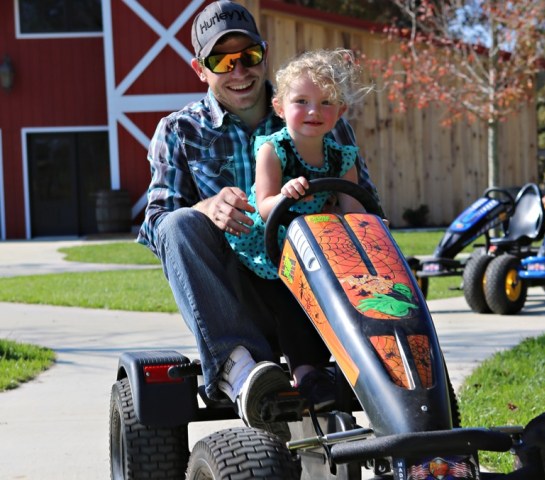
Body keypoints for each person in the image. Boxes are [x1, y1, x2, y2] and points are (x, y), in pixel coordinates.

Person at [137, 1, 382, 440]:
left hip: (314, 285)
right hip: (234, 295)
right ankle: (242, 370)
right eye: (222, 61)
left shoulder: (312, 110)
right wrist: (205, 207)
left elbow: (366, 206)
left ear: (263, 54)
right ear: (200, 69)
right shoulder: (179, 130)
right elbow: (155, 222)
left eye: (248, 56)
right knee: (177, 224)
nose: (239, 71)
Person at [223, 47, 369, 406]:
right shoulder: (273, 150)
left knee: (346, 295)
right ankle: (306, 374)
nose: (314, 112)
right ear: (279, 107)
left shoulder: (343, 157)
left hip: (318, 247)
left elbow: (352, 208)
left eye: (326, 102)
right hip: (271, 250)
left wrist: (368, 229)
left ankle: (368, 365)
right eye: (301, 101)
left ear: (341, 112)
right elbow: (264, 202)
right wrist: (286, 194)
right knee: (293, 302)